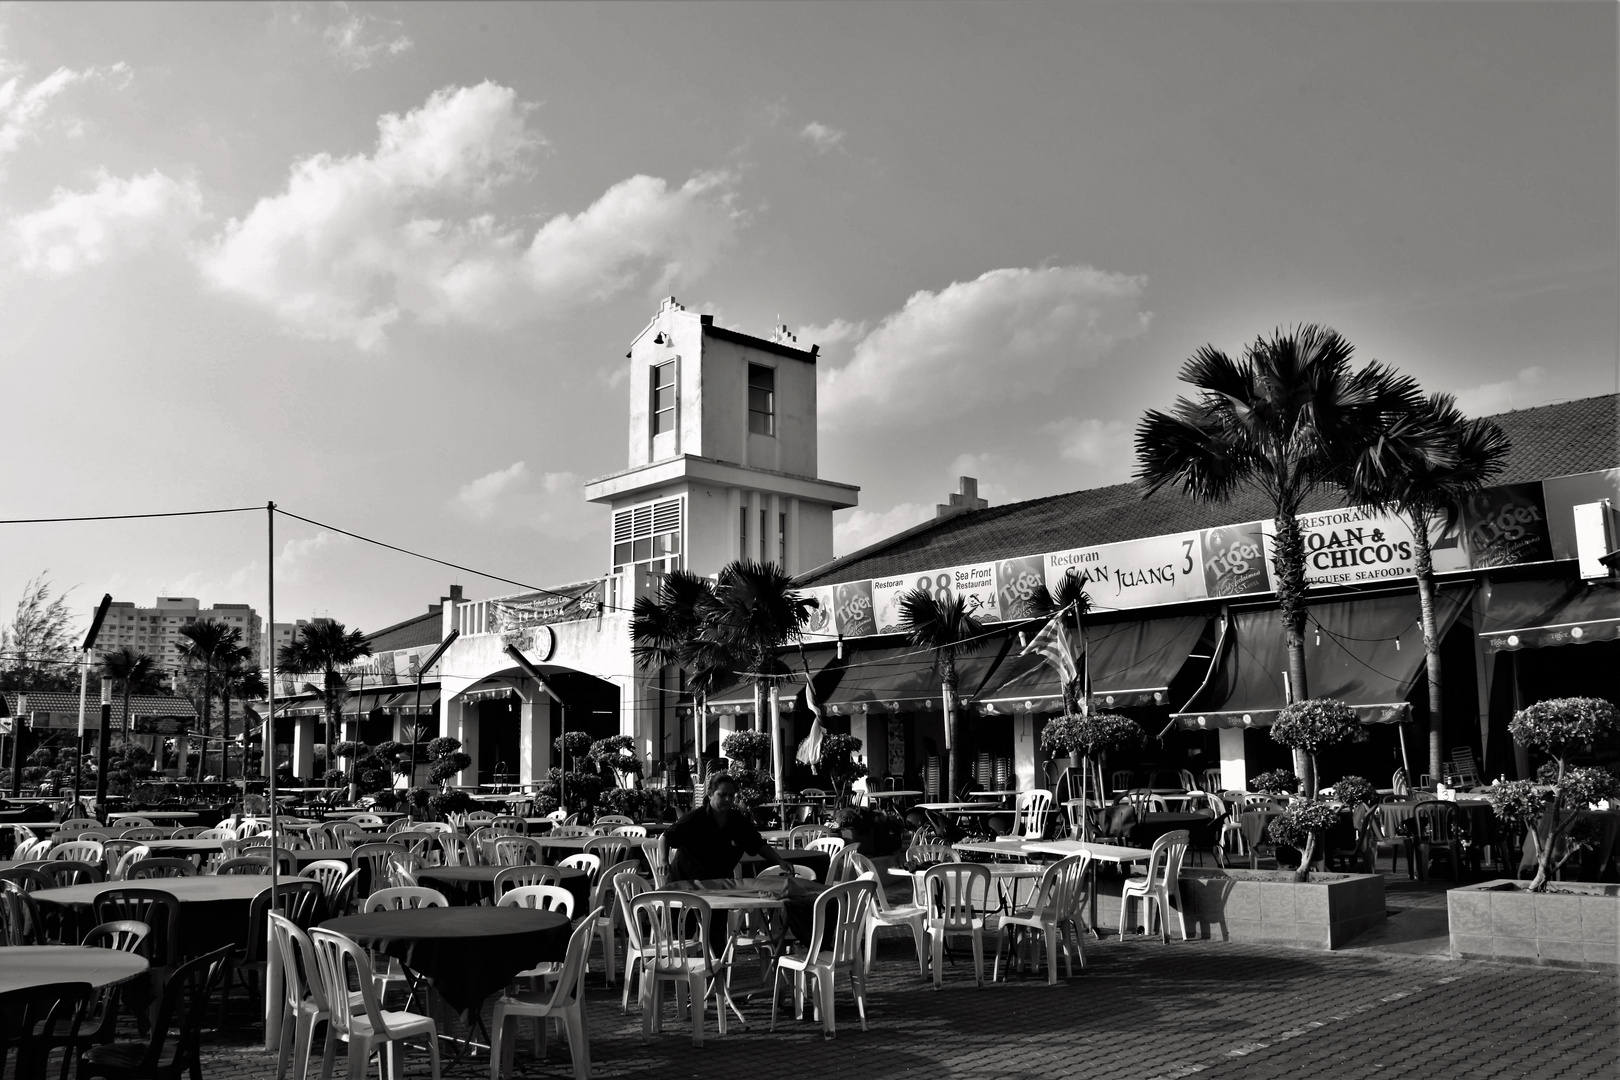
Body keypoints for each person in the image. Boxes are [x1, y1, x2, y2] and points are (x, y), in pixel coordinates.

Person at [666, 772, 795, 882]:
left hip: (718, 884)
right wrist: (662, 861)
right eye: (722, 795)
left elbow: (759, 844)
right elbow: (665, 837)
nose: (728, 799)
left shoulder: (737, 822)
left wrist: (779, 861)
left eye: (731, 795)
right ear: (710, 794)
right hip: (684, 885)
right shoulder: (695, 818)